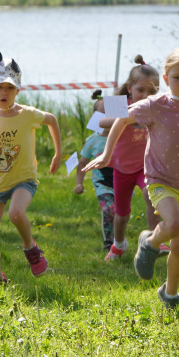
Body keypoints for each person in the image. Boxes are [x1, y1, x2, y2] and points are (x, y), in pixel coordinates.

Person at [84, 47, 179, 309]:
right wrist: (107, 155)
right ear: (165, 78)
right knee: (173, 224)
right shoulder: (156, 104)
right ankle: (149, 241)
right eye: (177, 77)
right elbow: (121, 120)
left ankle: (170, 293)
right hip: (159, 179)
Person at [0, 51, 62, 283]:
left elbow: (52, 119)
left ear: (18, 90)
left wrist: (58, 153)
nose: (4, 92)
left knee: (16, 212)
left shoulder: (27, 114)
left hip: (24, 179)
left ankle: (30, 247)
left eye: (10, 88)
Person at [99, 56, 161, 262]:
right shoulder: (121, 105)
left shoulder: (156, 107)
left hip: (146, 166)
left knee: (150, 196)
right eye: (140, 90)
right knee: (122, 214)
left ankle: (156, 240)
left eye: (151, 91)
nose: (145, 96)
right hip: (122, 169)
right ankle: (119, 244)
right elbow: (100, 121)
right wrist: (126, 120)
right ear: (129, 88)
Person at [74, 92, 115, 252]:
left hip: (120, 181)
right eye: (104, 114)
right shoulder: (92, 141)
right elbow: (82, 163)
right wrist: (79, 183)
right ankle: (108, 241)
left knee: (121, 213)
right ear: (96, 118)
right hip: (102, 183)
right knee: (108, 209)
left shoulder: (123, 138)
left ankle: (118, 240)